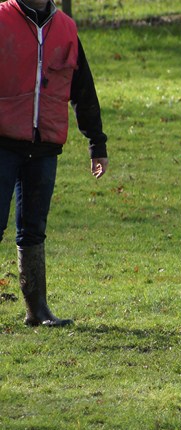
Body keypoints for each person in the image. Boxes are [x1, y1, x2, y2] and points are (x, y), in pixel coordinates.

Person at [0, 0, 108, 327]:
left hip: (44, 147)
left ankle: (37, 310)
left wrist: (97, 143)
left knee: (34, 229)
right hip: (2, 143)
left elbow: (83, 90)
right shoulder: (2, 19)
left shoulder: (67, 29)